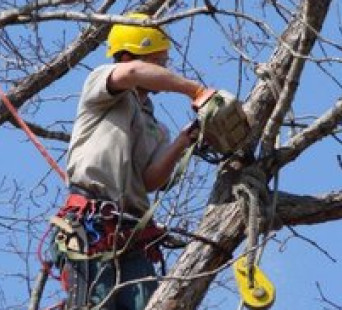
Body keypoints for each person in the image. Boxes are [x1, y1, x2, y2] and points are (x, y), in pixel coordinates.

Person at [58, 12, 210, 310]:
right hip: (91, 225)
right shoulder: (102, 86)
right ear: (129, 56)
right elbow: (130, 74)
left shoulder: (155, 127)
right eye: (158, 62)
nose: (164, 69)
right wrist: (197, 91)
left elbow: (152, 180)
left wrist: (184, 140)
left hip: (132, 236)